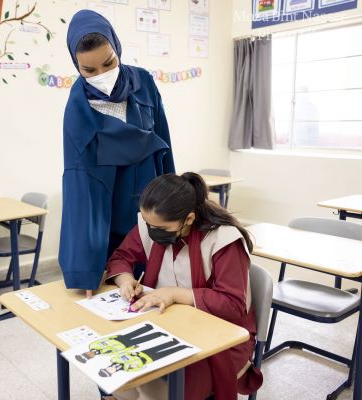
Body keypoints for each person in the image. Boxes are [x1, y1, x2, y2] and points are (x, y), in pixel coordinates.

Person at [106, 172, 263, 400]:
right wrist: (125, 280)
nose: (152, 232)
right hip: (167, 323)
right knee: (116, 366)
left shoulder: (224, 241)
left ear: (188, 219)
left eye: (161, 228)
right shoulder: (154, 223)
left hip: (222, 336)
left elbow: (232, 305)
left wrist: (176, 293)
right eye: (148, 224)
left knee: (170, 389)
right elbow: (121, 257)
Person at [59, 10, 175, 300]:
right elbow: (80, 186)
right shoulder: (78, 107)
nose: (102, 75)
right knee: (119, 296)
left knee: (157, 295)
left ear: (117, 48)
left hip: (151, 202)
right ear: (77, 66)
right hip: (108, 210)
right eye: (89, 70)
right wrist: (86, 265)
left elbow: (164, 144)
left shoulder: (144, 83)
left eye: (108, 63)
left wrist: (176, 206)